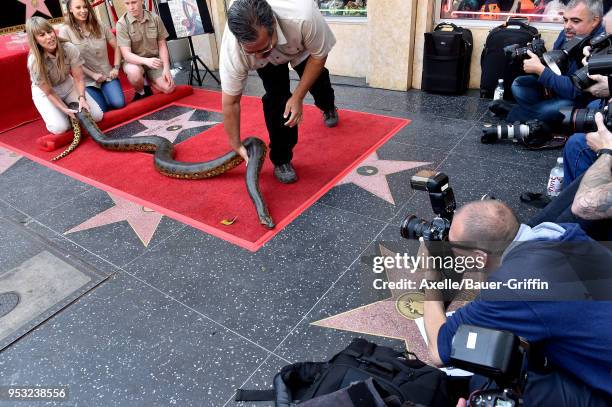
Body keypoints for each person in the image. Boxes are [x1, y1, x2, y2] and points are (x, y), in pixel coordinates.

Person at [422, 200, 612, 406]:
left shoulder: (513, 287)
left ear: (479, 258)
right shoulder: (557, 233)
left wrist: (430, 276)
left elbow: (438, 350)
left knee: (489, 382)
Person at [220, 0, 339, 184]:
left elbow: (319, 55)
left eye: (263, 47)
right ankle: (282, 159)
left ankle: (328, 106)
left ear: (273, 25)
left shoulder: (303, 16)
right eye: (252, 52)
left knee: (318, 84)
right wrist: (235, 142)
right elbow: (231, 102)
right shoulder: (233, 49)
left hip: (299, 44)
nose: (258, 56)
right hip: (271, 58)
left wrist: (298, 96)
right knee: (277, 99)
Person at [490, 0, 604, 124]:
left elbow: (574, 91)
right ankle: (538, 115)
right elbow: (555, 66)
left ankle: (519, 114)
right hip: (558, 88)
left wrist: (540, 70)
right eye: (565, 20)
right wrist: (538, 59)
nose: (567, 26)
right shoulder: (567, 34)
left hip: (579, 98)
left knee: (559, 107)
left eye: (575, 21)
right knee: (519, 84)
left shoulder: (600, 45)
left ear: (594, 21)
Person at [25, 16, 103, 134]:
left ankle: (70, 108)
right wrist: (64, 109)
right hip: (46, 92)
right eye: (42, 35)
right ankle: (61, 114)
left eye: (49, 31)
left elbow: (78, 78)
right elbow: (49, 92)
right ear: (35, 40)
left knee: (97, 116)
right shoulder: (34, 61)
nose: (49, 37)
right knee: (60, 128)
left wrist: (82, 97)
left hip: (67, 84)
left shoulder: (69, 48)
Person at [59, 0, 125, 112]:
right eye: (78, 8)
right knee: (101, 109)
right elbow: (71, 62)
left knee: (118, 103)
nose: (83, 11)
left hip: (107, 75)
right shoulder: (65, 31)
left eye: (85, 7)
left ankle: (107, 93)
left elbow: (117, 46)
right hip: (87, 81)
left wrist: (116, 67)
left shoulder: (99, 24)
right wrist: (93, 75)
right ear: (70, 9)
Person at [115, 0, 176, 100]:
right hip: (134, 62)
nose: (131, 7)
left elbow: (162, 45)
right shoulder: (121, 24)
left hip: (154, 61)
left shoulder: (155, 18)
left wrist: (166, 68)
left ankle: (149, 80)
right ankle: (141, 90)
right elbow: (126, 55)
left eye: (134, 2)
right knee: (134, 73)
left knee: (169, 88)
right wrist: (146, 61)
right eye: (127, 3)